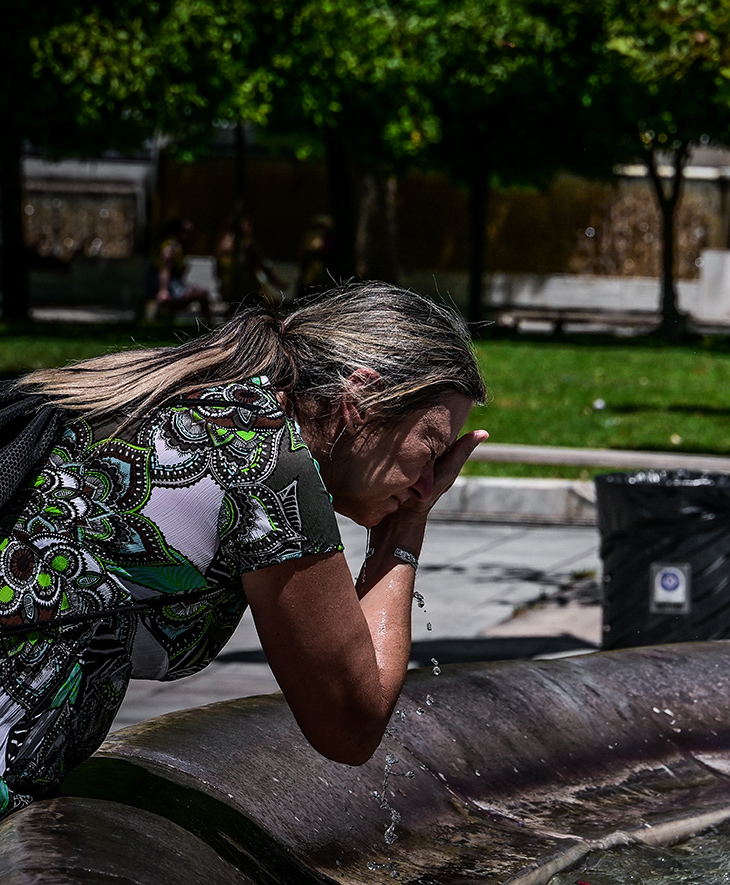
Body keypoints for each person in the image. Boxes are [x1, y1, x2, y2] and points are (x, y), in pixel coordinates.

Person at [0, 282, 488, 817]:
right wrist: (405, 532)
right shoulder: (264, 466)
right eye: (433, 448)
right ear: (361, 401)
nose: (429, 483)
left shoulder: (203, 401)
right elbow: (350, 726)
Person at [216, 217, 287, 313]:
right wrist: (277, 283)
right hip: (246, 290)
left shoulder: (222, 244)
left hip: (228, 290)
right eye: (248, 226)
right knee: (273, 304)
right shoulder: (247, 245)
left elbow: (217, 272)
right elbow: (263, 266)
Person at [147, 218, 212, 320]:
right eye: (187, 232)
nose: (190, 236)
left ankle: (209, 325)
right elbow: (165, 269)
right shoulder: (170, 247)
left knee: (201, 293)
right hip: (164, 284)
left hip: (174, 283)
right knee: (199, 294)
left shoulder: (177, 246)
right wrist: (163, 290)